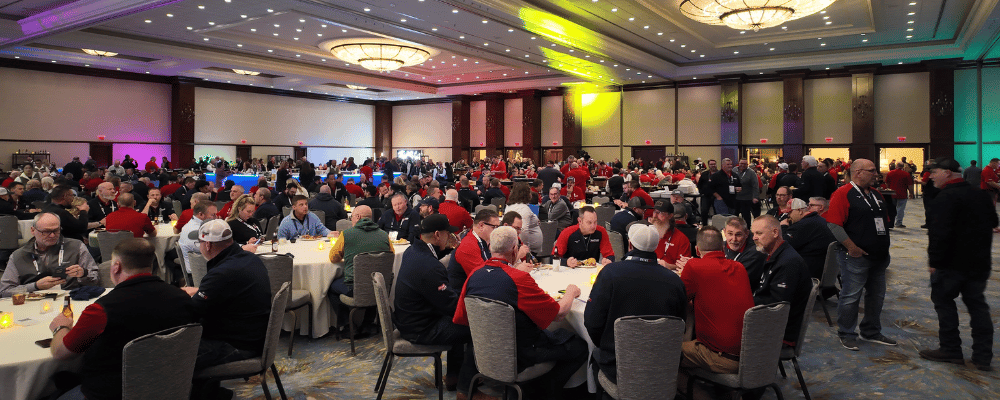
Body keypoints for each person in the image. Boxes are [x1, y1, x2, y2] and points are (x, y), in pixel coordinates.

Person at [47, 239, 195, 400]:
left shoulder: (101, 310)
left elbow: (60, 353)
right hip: (169, 388)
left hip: (113, 393)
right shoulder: (181, 298)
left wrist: (61, 327)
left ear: (116, 267)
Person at [453, 226, 588, 400]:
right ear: (514, 249)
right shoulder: (518, 279)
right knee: (578, 345)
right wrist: (571, 293)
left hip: (484, 351)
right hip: (520, 354)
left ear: (489, 248)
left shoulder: (473, 275)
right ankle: (539, 392)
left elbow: (461, 318)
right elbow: (559, 313)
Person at [919, 158, 998, 371]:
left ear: (947, 172)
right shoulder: (980, 195)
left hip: (951, 264)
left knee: (944, 304)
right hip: (979, 263)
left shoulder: (945, 197)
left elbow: (939, 233)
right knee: (978, 307)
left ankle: (950, 349)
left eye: (934, 172)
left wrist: (934, 261)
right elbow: (994, 222)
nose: (931, 176)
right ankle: (982, 357)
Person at [585, 224, 686, 386]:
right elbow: (680, 326)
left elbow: (592, 322)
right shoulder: (675, 281)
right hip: (663, 366)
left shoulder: (611, 273)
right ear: (656, 246)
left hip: (616, 365)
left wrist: (608, 346)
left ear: (630, 244)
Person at [180, 219, 270, 376]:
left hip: (239, 345)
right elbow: (228, 293)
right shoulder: (251, 259)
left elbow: (192, 313)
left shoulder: (221, 273)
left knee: (169, 355)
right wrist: (201, 291)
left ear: (207, 245)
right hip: (255, 337)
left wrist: (177, 299)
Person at [825, 158, 897, 351]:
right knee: (851, 296)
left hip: (879, 256)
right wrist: (851, 247)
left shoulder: (876, 194)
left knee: (877, 296)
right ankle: (847, 333)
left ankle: (871, 331)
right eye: (872, 171)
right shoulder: (842, 194)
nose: (876, 174)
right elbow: (833, 224)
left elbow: (883, 221)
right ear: (858, 172)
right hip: (856, 257)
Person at [393, 214, 469, 391]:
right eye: (447, 234)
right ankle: (466, 386)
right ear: (437, 235)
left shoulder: (412, 251)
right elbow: (451, 307)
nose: (450, 237)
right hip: (420, 329)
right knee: (474, 326)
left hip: (408, 319)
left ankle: (454, 376)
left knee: (460, 319)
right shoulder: (429, 266)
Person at [677, 226, 755, 397]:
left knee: (663, 352)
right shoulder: (739, 267)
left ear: (697, 250)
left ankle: (701, 396)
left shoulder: (694, 265)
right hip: (752, 353)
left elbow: (678, 301)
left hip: (723, 358)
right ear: (723, 248)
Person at [1, 213, 101, 296]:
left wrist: (83, 273)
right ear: (33, 230)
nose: (52, 235)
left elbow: (95, 279)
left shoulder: (76, 246)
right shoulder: (18, 255)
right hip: (32, 301)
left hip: (69, 299)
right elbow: (5, 291)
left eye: (56, 230)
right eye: (46, 232)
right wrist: (35, 286)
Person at [750, 215, 813, 346]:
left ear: (775, 232)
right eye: (753, 233)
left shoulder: (788, 262)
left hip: (780, 333)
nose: (754, 238)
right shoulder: (774, 255)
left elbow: (776, 307)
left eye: (759, 233)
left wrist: (743, 302)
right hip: (769, 321)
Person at [327, 205, 393, 330]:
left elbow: (333, 257)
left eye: (352, 217)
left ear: (357, 217)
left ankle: (348, 325)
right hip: (379, 285)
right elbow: (391, 255)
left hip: (354, 287)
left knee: (330, 288)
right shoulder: (384, 235)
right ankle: (368, 323)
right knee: (373, 284)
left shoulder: (347, 234)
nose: (351, 220)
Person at [781, 198, 837, 279]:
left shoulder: (801, 225)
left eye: (790, 212)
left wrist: (783, 227)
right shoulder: (820, 220)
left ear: (800, 211)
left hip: (808, 272)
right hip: (825, 269)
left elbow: (784, 246)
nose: (788, 216)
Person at [447, 209, 500, 291]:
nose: (497, 231)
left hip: (476, 290)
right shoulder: (468, 246)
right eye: (494, 227)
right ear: (481, 225)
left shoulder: (483, 241)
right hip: (464, 296)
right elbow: (484, 278)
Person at [722, 216, 766, 292]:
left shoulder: (755, 253)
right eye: (730, 234)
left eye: (738, 235)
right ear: (724, 232)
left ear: (746, 234)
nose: (734, 239)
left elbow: (732, 281)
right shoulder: (720, 246)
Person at [177, 201, 217, 273]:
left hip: (201, 269)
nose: (216, 218)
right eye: (213, 215)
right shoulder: (198, 231)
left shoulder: (189, 225)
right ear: (201, 214)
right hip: (200, 274)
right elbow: (213, 252)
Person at [650, 201, 691, 270]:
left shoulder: (681, 239)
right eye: (654, 211)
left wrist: (669, 266)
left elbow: (684, 265)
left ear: (670, 216)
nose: (655, 216)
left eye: (660, 212)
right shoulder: (648, 234)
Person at [504, 183, 542, 255]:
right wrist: (525, 248)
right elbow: (523, 230)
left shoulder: (509, 206)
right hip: (528, 249)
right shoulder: (524, 209)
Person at [884, 162, 915, 228]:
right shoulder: (906, 174)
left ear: (896, 166)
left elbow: (887, 183)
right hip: (902, 194)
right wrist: (911, 193)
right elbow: (910, 185)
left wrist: (888, 189)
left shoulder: (890, 173)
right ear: (903, 166)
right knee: (900, 209)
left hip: (892, 194)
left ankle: (891, 222)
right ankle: (898, 223)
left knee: (891, 209)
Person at [734, 158, 760, 227]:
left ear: (747, 165)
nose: (742, 165)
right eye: (741, 163)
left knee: (746, 217)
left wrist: (755, 197)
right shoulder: (734, 170)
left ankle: (747, 230)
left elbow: (755, 185)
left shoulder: (751, 173)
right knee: (734, 217)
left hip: (746, 198)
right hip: (735, 198)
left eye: (744, 164)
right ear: (738, 163)